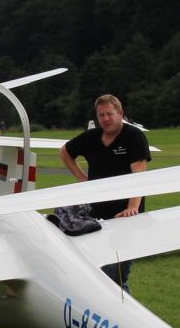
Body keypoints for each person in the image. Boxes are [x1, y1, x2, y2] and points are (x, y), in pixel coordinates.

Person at [59, 94, 152, 293]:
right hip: (95, 217)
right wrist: (83, 179)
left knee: (116, 276)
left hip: (125, 219)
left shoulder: (134, 136)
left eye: (110, 114)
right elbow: (65, 151)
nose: (106, 119)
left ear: (120, 113)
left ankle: (122, 308)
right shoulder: (92, 137)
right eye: (101, 115)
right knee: (99, 273)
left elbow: (139, 176)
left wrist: (132, 207)